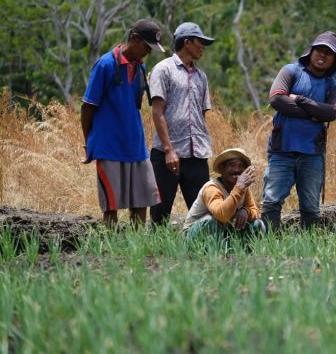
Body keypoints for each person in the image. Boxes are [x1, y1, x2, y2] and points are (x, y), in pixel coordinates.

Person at [80, 19, 165, 227]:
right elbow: (87, 107)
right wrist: (88, 141)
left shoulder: (141, 68)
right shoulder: (106, 65)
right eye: (146, 46)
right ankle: (113, 247)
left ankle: (135, 247)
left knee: (141, 199)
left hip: (135, 145)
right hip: (108, 146)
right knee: (111, 204)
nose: (148, 52)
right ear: (134, 39)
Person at [261, 31, 336, 230]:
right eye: (319, 50)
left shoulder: (333, 85)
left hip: (313, 154)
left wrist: (300, 99)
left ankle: (309, 249)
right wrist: (315, 113)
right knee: (272, 201)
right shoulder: (291, 71)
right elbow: (277, 99)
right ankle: (267, 245)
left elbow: (332, 113)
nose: (322, 55)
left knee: (310, 207)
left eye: (328, 53)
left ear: (334, 60)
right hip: (282, 150)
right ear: (311, 51)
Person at [149, 22, 215, 225]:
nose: (203, 46)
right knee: (160, 211)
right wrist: (169, 150)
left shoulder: (201, 76)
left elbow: (201, 114)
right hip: (168, 153)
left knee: (203, 212)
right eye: (200, 42)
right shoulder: (164, 69)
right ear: (187, 42)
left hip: (196, 154)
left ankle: (202, 252)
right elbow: (157, 112)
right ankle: (154, 254)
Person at [184, 148, 266, 239]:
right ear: (222, 168)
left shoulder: (243, 187)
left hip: (223, 234)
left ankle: (242, 252)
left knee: (258, 224)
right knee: (210, 221)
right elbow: (221, 215)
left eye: (241, 166)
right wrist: (239, 188)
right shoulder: (211, 188)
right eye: (231, 165)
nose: (236, 170)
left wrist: (246, 211)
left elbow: (255, 210)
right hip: (194, 235)